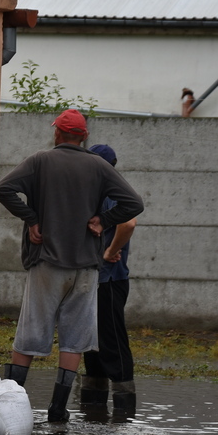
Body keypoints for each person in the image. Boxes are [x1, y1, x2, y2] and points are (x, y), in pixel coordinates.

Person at [0, 109, 144, 422]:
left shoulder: (40, 161)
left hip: (48, 260)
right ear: (84, 136)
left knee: (31, 332)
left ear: (58, 134)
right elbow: (133, 204)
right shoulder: (99, 166)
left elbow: (4, 189)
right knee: (75, 339)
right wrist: (102, 221)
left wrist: (33, 219)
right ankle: (58, 410)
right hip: (88, 269)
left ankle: (10, 407)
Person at [81, 144, 138, 416]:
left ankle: (124, 408)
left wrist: (110, 251)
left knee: (112, 340)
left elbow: (129, 223)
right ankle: (93, 405)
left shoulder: (111, 190)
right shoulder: (96, 191)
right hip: (95, 279)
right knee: (92, 342)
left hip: (110, 281)